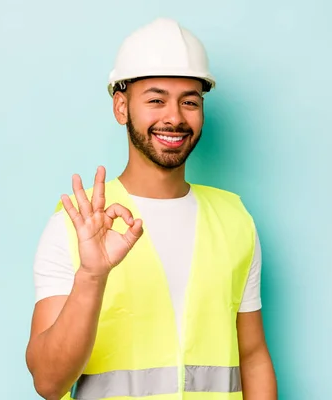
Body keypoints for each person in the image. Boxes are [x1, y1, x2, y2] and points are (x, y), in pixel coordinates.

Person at [25, 17, 277, 400]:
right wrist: (91, 276)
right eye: (156, 99)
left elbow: (253, 356)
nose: (174, 117)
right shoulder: (75, 227)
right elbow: (48, 382)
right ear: (121, 107)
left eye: (189, 101)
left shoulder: (234, 220)